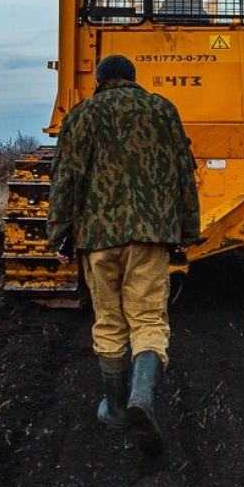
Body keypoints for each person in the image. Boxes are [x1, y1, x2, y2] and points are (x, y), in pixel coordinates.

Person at [47, 54, 200, 455]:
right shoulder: (162, 109)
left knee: (110, 321)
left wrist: (60, 235)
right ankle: (142, 398)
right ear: (133, 79)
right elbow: (183, 170)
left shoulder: (79, 116)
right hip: (150, 235)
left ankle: (116, 408)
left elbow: (65, 177)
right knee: (148, 317)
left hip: (97, 237)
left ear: (98, 81)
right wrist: (186, 230)